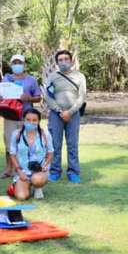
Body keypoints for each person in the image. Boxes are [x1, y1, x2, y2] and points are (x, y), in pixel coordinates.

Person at [0, 54, 42, 178]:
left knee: (28, 142)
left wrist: (29, 98)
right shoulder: (6, 79)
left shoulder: (31, 80)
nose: (17, 65)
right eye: (15, 63)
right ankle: (8, 169)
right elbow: (0, 96)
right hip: (10, 115)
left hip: (27, 117)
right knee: (9, 142)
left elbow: (38, 97)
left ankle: (28, 167)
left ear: (24, 65)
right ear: (11, 65)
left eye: (19, 63)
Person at [44, 50, 87, 184]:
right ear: (57, 63)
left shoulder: (80, 77)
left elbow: (82, 97)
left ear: (71, 61)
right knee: (55, 144)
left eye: (66, 59)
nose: (63, 62)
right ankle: (55, 171)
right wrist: (59, 111)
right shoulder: (52, 77)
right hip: (56, 115)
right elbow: (48, 96)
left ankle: (73, 172)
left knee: (72, 144)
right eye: (60, 60)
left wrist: (70, 112)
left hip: (73, 115)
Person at [8, 109, 53, 200]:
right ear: (23, 120)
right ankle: (26, 185)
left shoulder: (45, 134)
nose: (31, 122)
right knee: (21, 197)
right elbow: (12, 154)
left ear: (38, 121)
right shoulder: (16, 134)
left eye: (34, 120)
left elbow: (51, 152)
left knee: (37, 179)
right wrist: (19, 171)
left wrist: (45, 165)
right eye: (28, 120)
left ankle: (37, 187)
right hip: (23, 171)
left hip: (40, 171)